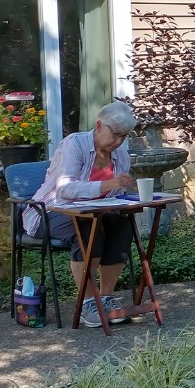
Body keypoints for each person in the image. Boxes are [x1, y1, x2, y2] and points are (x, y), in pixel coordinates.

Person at [23, 101, 140, 328]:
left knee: (121, 225)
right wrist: (108, 184)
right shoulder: (74, 145)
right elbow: (66, 188)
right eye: (115, 135)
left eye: (124, 137)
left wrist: (122, 189)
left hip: (96, 213)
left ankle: (105, 299)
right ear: (99, 126)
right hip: (48, 212)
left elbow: (115, 193)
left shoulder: (121, 154)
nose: (118, 142)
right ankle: (88, 303)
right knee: (87, 227)